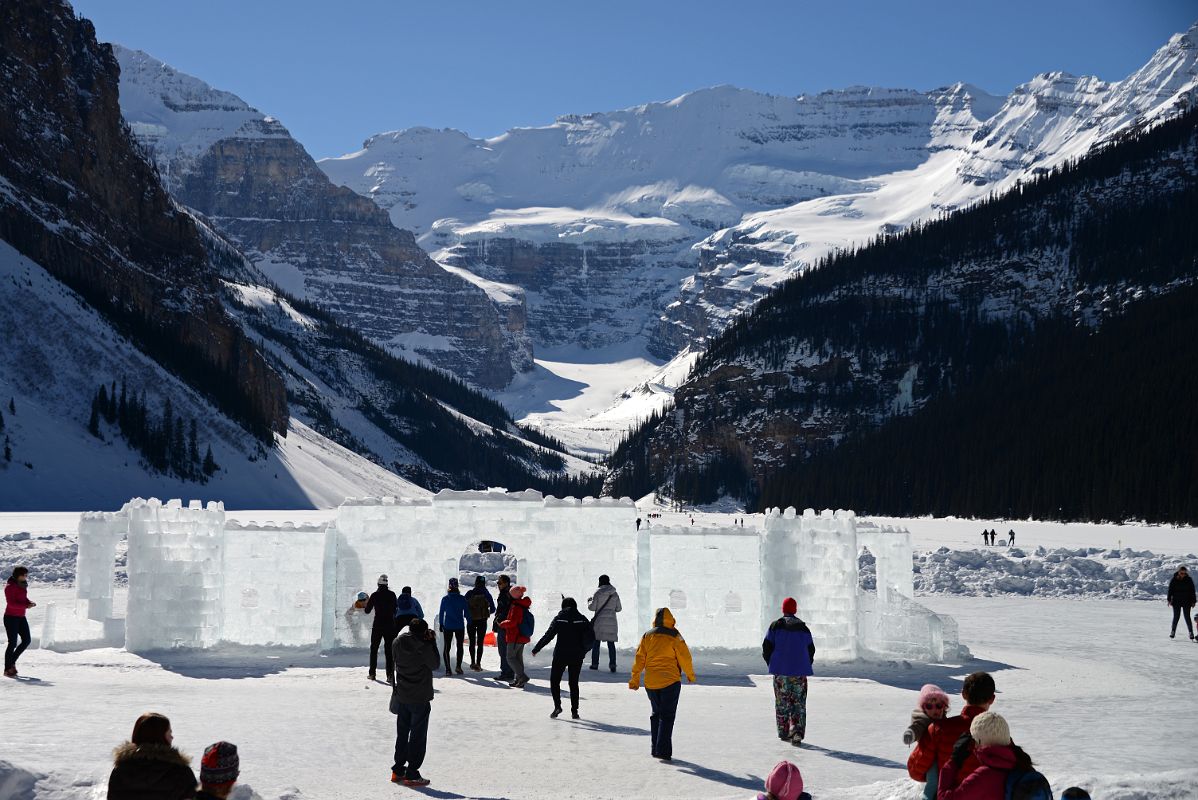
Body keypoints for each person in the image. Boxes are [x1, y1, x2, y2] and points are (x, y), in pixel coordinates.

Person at [628, 607, 696, 761]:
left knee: (656, 714)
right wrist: (690, 675)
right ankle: (663, 751)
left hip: (651, 683)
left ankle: (655, 748)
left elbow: (639, 659)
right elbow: (685, 657)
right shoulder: (675, 635)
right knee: (667, 716)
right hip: (670, 681)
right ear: (670, 619)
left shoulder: (648, 635)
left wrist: (635, 679)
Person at [908, 672, 995, 788]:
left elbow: (915, 770)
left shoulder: (938, 729)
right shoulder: (998, 732)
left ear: (963, 694)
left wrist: (936, 778)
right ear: (992, 699)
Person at [937, 711, 1039, 800]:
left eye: (974, 740)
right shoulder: (1024, 766)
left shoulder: (983, 776)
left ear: (979, 741)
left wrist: (954, 761)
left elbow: (944, 798)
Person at [390, 618, 439, 787]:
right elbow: (435, 664)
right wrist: (432, 643)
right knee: (417, 736)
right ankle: (412, 773)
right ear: (424, 631)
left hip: (403, 694)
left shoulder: (398, 641)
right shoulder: (424, 646)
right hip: (420, 697)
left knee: (402, 733)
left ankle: (398, 770)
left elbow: (394, 659)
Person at [762, 597, 816, 746]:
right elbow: (811, 650)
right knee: (798, 702)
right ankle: (797, 731)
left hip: (781, 672)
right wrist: (804, 664)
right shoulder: (803, 628)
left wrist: (772, 663)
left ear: (783, 609)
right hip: (799, 673)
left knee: (782, 702)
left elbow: (766, 647)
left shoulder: (775, 626)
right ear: (795, 610)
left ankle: (784, 731)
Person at [107, 712, 197, 800]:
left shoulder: (121, 770)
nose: (172, 737)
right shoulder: (181, 772)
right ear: (160, 737)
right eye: (169, 733)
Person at [531, 596, 594, 719]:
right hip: (577, 656)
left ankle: (557, 706)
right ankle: (574, 711)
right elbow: (591, 638)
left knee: (555, 681)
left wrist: (537, 648)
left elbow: (548, 635)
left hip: (561, 654)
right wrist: (583, 651)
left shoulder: (560, 618)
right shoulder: (582, 619)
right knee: (573, 683)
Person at [903, 685, 951, 800]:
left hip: (941, 754)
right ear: (923, 708)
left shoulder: (943, 718)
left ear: (944, 706)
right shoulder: (923, 719)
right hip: (929, 758)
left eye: (939, 705)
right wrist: (910, 734)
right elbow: (916, 727)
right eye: (929, 706)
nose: (935, 709)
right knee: (933, 781)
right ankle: (927, 797)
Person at [365, 574, 398, 682]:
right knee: (389, 651)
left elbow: (367, 611)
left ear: (378, 584)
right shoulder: (392, 595)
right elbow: (395, 610)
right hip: (389, 625)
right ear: (387, 584)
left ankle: (372, 674)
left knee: (374, 649)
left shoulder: (374, 595)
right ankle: (390, 675)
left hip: (378, 625)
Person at [498, 585, 533, 687]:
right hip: (521, 636)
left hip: (514, 636)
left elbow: (513, 622)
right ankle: (519, 680)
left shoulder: (516, 607)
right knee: (518, 658)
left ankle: (522, 677)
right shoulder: (522, 605)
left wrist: (502, 624)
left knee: (510, 658)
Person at [587, 574, 622, 672]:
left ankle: (594, 664)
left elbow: (592, 608)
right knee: (611, 644)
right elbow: (619, 608)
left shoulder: (597, 593)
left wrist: (589, 601)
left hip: (599, 622)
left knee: (596, 643)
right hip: (611, 622)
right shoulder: (614, 594)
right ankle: (612, 664)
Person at [4, 566, 35, 677]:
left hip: (21, 617)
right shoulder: (10, 587)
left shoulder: (22, 585)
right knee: (12, 643)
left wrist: (29, 602)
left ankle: (11, 662)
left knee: (27, 640)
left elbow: (22, 599)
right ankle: (7, 669)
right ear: (18, 575)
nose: (26, 577)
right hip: (11, 617)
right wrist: (26, 606)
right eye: (24, 575)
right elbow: (11, 603)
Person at [437, 578, 469, 675]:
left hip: (448, 626)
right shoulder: (462, 598)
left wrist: (441, 624)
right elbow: (467, 613)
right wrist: (470, 622)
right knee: (460, 646)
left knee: (447, 647)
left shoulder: (445, 599)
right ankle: (458, 667)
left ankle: (448, 669)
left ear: (449, 586)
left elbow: (441, 613)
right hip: (459, 625)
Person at [464, 576, 495, 671]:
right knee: (480, 643)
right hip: (482, 621)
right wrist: (485, 614)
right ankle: (478, 663)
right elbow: (493, 609)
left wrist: (468, 615)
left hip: (471, 621)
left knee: (472, 642)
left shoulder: (470, 593)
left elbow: (464, 606)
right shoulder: (486, 594)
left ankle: (472, 662)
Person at [492, 575, 514, 682]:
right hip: (506, 625)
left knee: (503, 650)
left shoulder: (506, 595)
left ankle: (506, 673)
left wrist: (499, 620)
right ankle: (507, 672)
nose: (498, 585)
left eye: (500, 583)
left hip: (504, 626)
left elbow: (505, 611)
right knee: (505, 650)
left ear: (506, 583)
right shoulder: (508, 594)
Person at [1166, 565, 1196, 640]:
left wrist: (1193, 601)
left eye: (1184, 573)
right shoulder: (1174, 579)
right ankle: (1173, 632)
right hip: (1176, 601)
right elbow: (1170, 590)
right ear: (1178, 572)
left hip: (1187, 600)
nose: (1183, 575)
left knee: (1187, 617)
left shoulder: (1189, 579)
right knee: (1176, 617)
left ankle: (1191, 632)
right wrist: (1169, 599)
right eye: (1181, 573)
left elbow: (1192, 591)